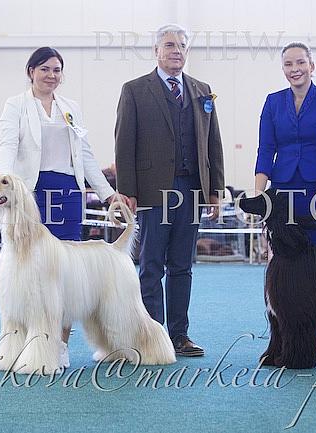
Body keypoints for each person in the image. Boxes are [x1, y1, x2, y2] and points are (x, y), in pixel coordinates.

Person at [0, 46, 127, 367]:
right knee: (28, 274)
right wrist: (5, 185)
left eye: (56, 70)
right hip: (32, 195)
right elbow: (8, 146)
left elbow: (85, 155)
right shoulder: (16, 105)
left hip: (68, 194)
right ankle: (27, 345)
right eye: (44, 69)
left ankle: (59, 346)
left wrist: (108, 194)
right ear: (31, 72)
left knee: (63, 275)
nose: (51, 75)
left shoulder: (71, 109)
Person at [115, 24, 225, 357]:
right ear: (156, 51)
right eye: (169, 45)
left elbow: (213, 143)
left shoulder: (202, 90)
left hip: (191, 190)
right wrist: (127, 190)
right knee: (150, 266)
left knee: (182, 266)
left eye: (181, 46)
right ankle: (151, 336)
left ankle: (180, 335)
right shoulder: (134, 90)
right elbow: (124, 143)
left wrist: (215, 189)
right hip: (151, 192)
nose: (176, 50)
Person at [254, 41, 316, 366]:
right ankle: (281, 343)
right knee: (283, 276)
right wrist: (260, 197)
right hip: (283, 196)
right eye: (289, 64)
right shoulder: (273, 102)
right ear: (283, 69)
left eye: (300, 63)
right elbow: (265, 151)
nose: (295, 69)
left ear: (311, 66)